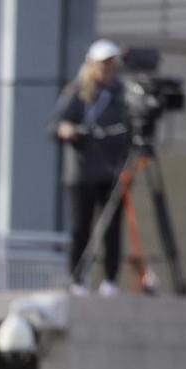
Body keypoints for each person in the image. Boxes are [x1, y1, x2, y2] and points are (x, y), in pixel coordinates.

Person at [51, 38, 129, 296]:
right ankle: (77, 279)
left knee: (112, 229)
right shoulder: (76, 92)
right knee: (80, 227)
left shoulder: (121, 94)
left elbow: (131, 129)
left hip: (112, 171)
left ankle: (110, 280)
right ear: (92, 65)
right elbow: (56, 124)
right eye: (103, 64)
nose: (107, 70)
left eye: (111, 64)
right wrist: (66, 130)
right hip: (82, 172)